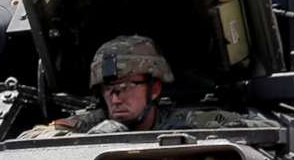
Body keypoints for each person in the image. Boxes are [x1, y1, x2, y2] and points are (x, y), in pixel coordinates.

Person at [23, 34, 253, 138]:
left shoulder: (184, 123)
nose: (114, 99)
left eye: (125, 87)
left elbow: (256, 128)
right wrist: (91, 141)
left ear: (154, 90)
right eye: (107, 89)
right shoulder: (94, 120)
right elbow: (30, 138)